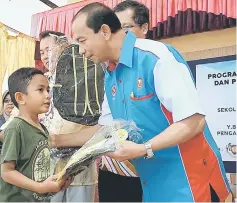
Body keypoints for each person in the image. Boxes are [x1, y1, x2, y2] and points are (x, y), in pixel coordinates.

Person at [51, 2, 230, 202]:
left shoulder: (155, 57)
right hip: (153, 186)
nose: (81, 51)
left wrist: (144, 148)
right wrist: (56, 141)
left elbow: (194, 121)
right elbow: (104, 129)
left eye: (83, 41)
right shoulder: (110, 74)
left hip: (190, 183)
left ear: (104, 31)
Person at [97, 1, 149, 202]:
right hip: (114, 171)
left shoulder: (154, 61)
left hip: (149, 170)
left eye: (126, 29)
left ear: (144, 28)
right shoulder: (110, 72)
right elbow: (105, 124)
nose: (119, 36)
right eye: (114, 29)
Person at [39, 30, 98, 202]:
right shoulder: (40, 83)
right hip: (48, 171)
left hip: (80, 168)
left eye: (48, 49)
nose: (45, 56)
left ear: (64, 47)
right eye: (41, 52)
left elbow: (100, 124)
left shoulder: (86, 81)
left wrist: (61, 140)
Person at [0, 68, 69, 202]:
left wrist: (57, 184)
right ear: (20, 98)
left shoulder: (43, 129)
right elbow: (7, 173)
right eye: (40, 90)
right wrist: (39, 187)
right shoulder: (16, 128)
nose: (47, 95)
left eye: (48, 90)